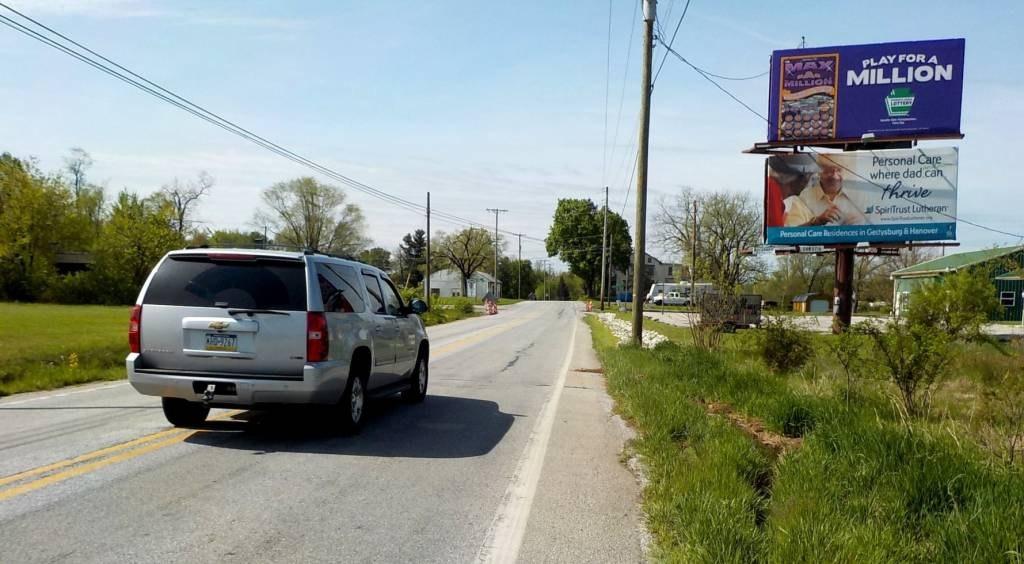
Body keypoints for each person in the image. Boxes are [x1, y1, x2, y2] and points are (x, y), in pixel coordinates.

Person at [799, 154, 868, 226]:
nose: (835, 177)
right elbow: (793, 233)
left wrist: (862, 223)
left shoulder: (860, 196)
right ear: (818, 171)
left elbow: (875, 228)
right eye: (828, 170)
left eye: (839, 170)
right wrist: (816, 222)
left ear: (846, 170)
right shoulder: (804, 198)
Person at [766, 154, 817, 227]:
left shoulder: (773, 189)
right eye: (808, 177)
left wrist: (815, 222)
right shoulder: (772, 191)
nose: (807, 183)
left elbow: (783, 234)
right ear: (799, 179)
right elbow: (777, 236)